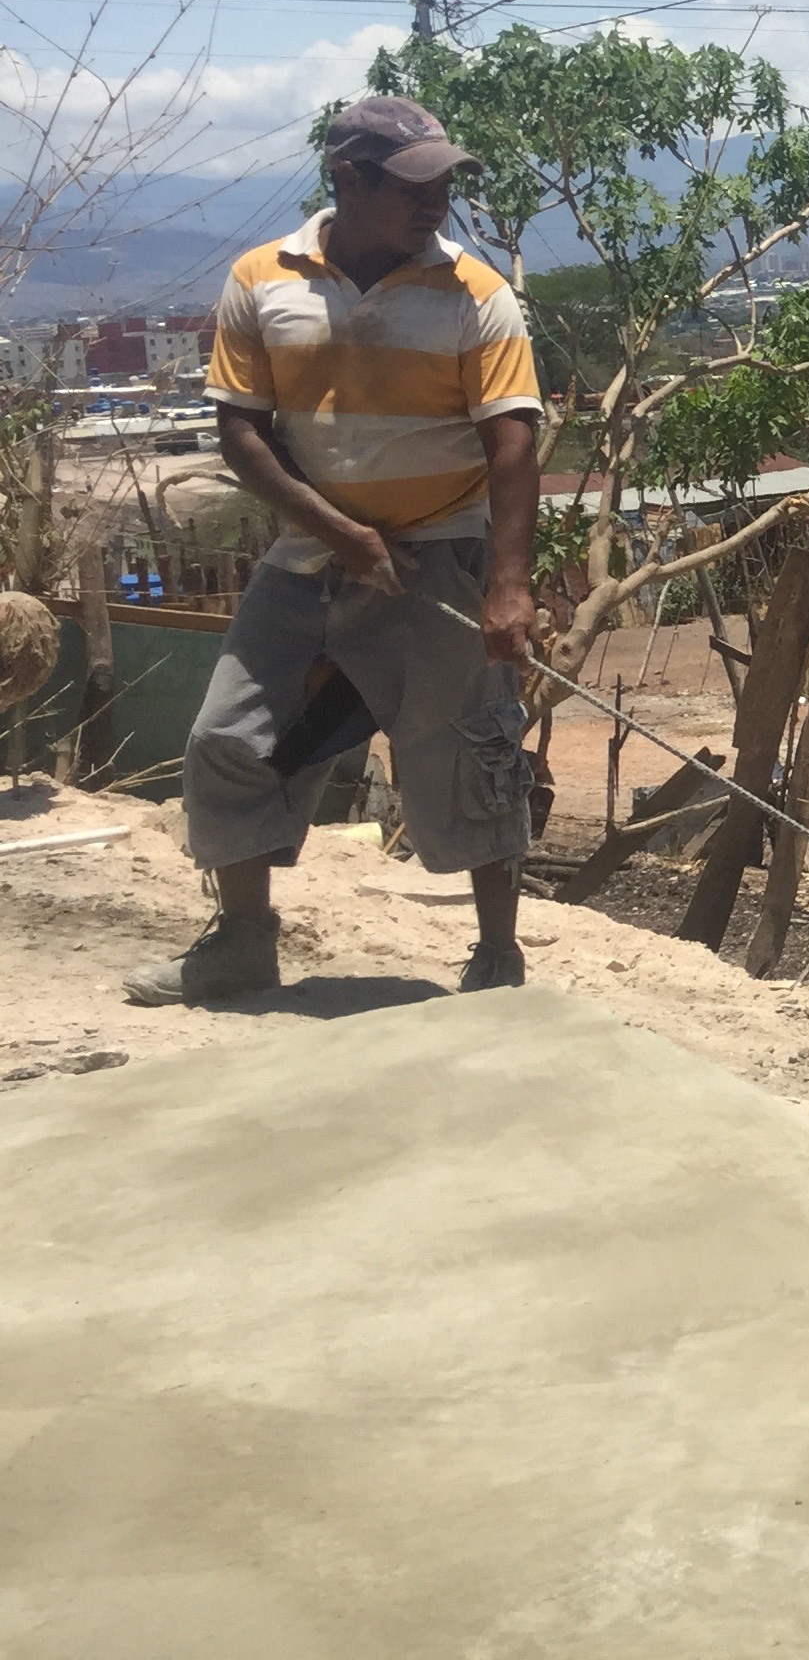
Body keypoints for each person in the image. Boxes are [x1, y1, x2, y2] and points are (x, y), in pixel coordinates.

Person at [125, 96, 544, 1007]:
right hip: (309, 556)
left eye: (443, 186)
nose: (436, 204)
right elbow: (242, 432)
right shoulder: (260, 280)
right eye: (413, 187)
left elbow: (513, 443)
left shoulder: (476, 294)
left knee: (473, 750)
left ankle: (498, 957)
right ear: (349, 179)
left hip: (439, 557)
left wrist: (508, 587)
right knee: (228, 739)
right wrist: (338, 533)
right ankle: (242, 944)